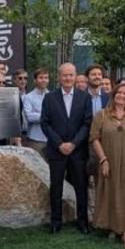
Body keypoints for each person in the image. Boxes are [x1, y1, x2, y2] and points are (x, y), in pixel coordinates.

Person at [90, 80, 125, 248]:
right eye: (119, 93)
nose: (122, 96)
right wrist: (103, 159)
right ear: (113, 95)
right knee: (111, 193)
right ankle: (113, 227)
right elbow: (94, 139)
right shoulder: (101, 115)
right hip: (109, 160)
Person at [41, 63, 93, 234]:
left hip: (78, 151)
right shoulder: (50, 98)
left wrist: (73, 143)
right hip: (57, 150)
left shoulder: (84, 97)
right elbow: (45, 123)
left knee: (81, 186)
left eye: (71, 75)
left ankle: (83, 221)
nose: (68, 78)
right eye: (65, 75)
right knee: (56, 187)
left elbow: (87, 124)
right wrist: (60, 144)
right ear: (59, 77)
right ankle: (56, 221)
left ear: (75, 76)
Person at [23, 68, 50, 154]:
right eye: (41, 77)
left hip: (51, 139)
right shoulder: (28, 97)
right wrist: (48, 115)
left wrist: (38, 114)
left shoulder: (53, 96)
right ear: (35, 80)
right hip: (35, 139)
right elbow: (29, 117)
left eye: (46, 78)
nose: (44, 80)